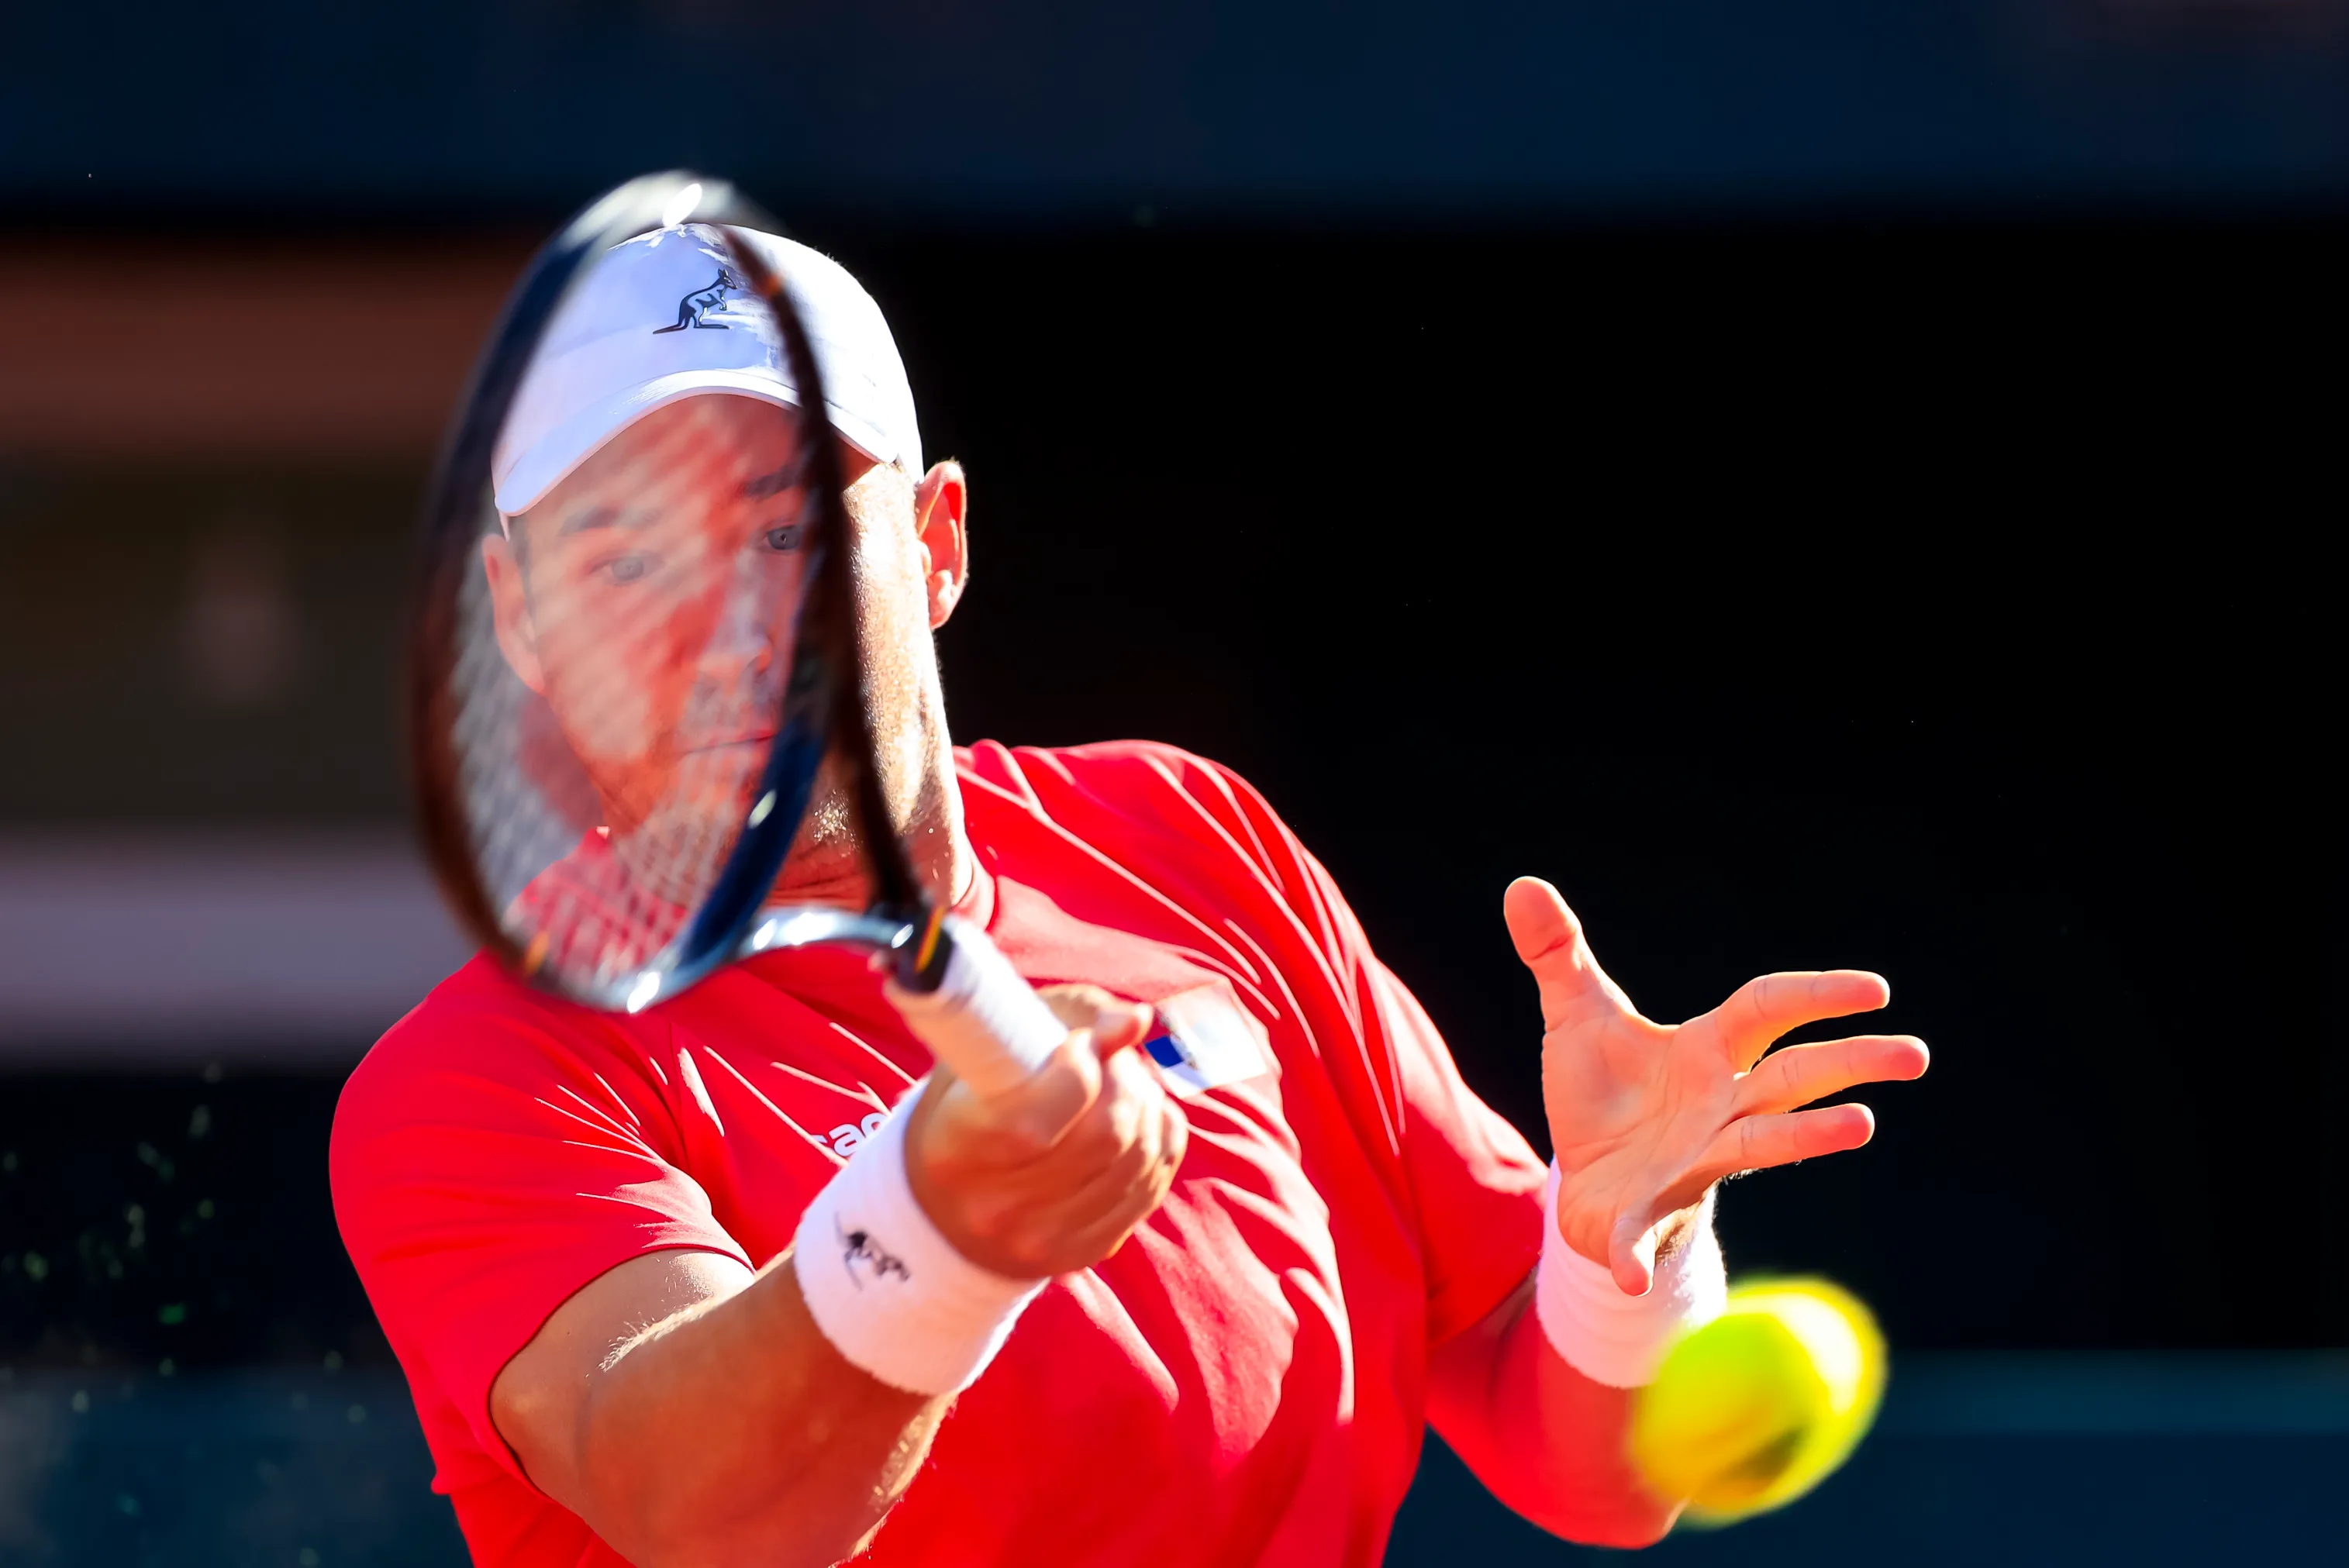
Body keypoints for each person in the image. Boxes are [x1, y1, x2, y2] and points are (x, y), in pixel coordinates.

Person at [331, 222, 1930, 1568]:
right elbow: (689, 1498)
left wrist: (1618, 1251)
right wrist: (934, 1238)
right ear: (524, 628)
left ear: (939, 543)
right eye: (627, 562)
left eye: (788, 529)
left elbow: (1591, 1466)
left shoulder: (1183, 833)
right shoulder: (479, 1085)